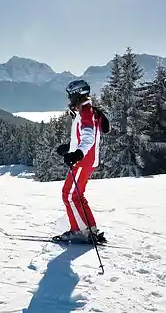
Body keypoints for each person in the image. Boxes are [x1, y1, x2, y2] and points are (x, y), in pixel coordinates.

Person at [53, 79, 109, 244]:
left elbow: (88, 137)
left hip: (83, 161)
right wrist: (69, 148)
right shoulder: (87, 110)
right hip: (87, 160)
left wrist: (77, 154)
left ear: (78, 94)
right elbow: (82, 137)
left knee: (69, 194)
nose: (69, 99)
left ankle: (79, 231)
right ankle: (89, 229)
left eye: (71, 95)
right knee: (77, 195)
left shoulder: (86, 111)